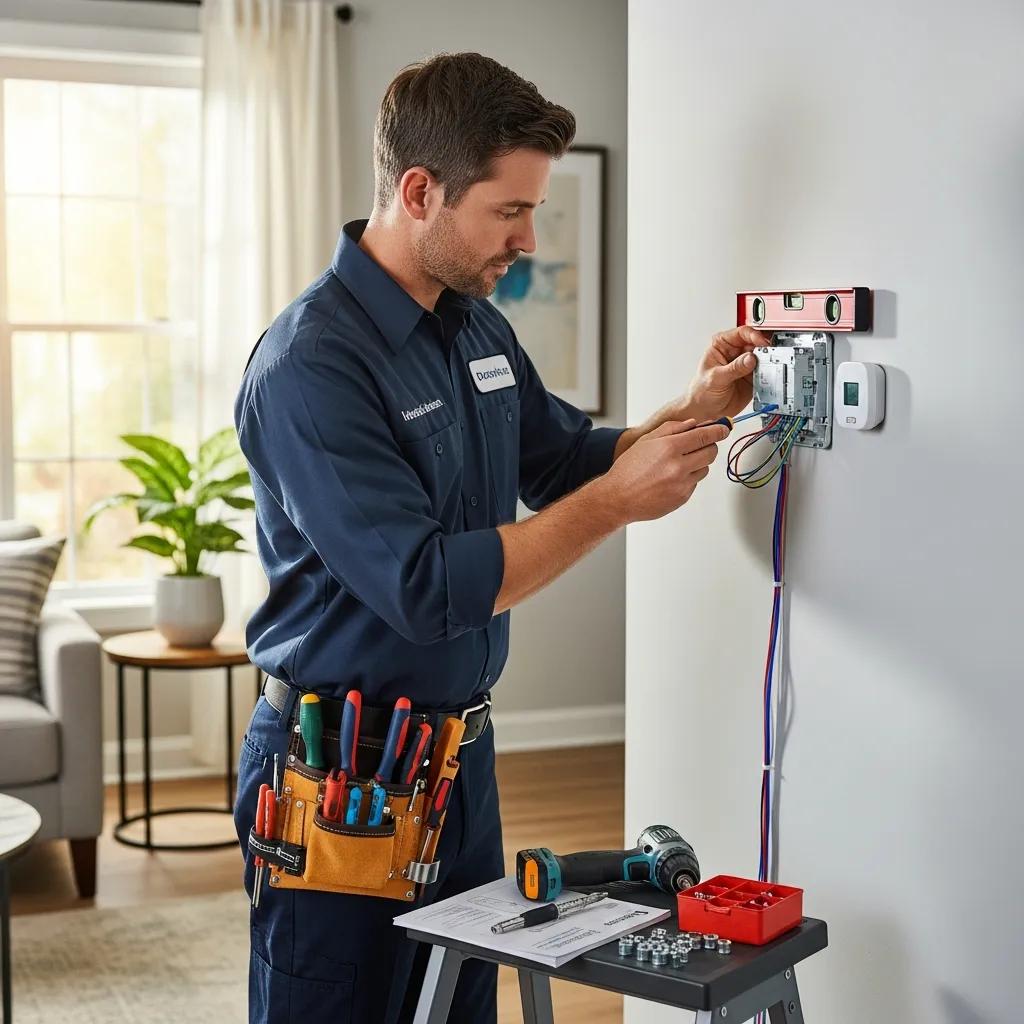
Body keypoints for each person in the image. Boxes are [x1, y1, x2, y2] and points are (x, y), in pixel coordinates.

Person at [232, 51, 766, 1024]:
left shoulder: (474, 326)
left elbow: (568, 457)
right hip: (335, 773)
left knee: (460, 1008)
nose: (527, 237)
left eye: (532, 210)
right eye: (508, 211)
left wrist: (690, 412)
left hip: (458, 762)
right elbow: (429, 587)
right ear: (420, 191)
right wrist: (615, 505)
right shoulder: (310, 365)